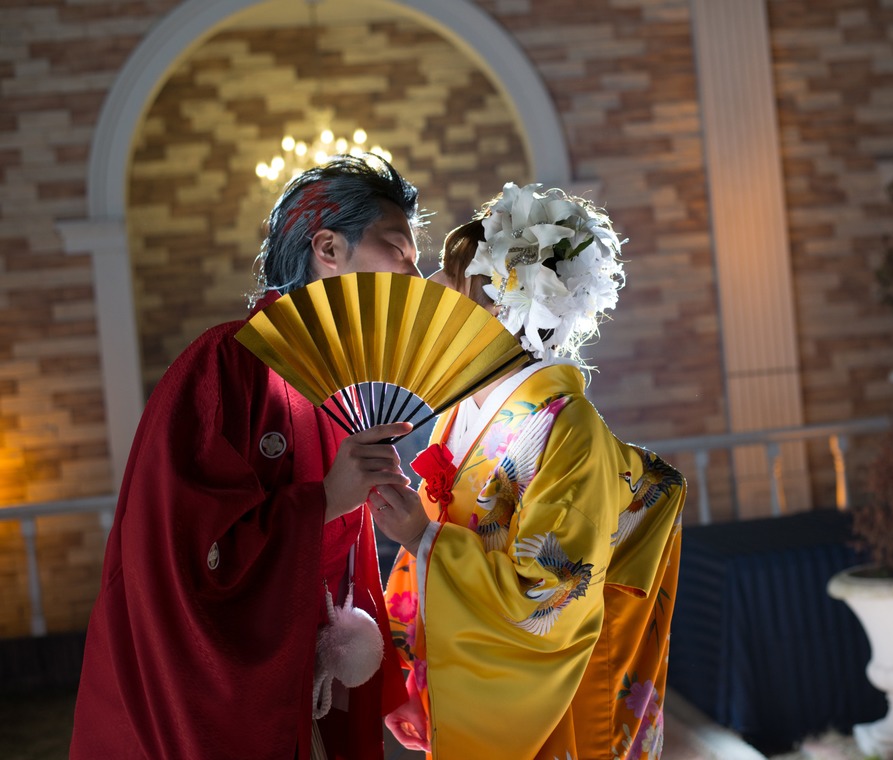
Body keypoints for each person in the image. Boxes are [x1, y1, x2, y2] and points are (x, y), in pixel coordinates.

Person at [72, 155, 423, 760]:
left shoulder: (338, 389)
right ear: (329, 249)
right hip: (223, 699)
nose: (417, 273)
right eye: (399, 249)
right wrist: (325, 503)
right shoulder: (225, 365)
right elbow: (181, 559)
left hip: (305, 684)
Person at [371, 183, 687, 759]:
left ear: (503, 304)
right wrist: (407, 670)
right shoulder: (462, 411)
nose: (435, 287)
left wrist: (421, 535)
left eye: (455, 278)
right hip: (474, 680)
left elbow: (549, 595)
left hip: (543, 705)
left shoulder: (569, 425)